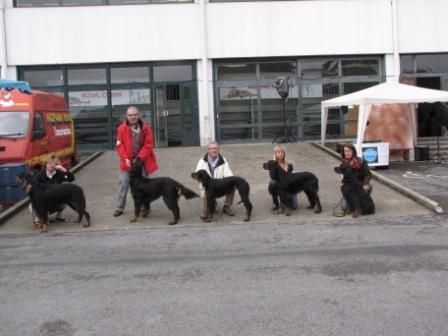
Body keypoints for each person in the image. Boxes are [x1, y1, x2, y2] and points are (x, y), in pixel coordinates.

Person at [114, 106, 158, 217]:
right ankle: (120, 208)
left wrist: (139, 158)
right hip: (126, 163)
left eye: (135, 114)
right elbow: (119, 146)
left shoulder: (146, 128)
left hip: (141, 161)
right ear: (126, 116)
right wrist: (126, 158)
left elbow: (148, 145)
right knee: (123, 184)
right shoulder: (121, 129)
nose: (133, 117)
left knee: (144, 186)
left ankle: (145, 208)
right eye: (130, 115)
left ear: (138, 115)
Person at [195, 141, 235, 219]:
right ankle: (213, 203)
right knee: (207, 212)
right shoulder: (202, 161)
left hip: (219, 186)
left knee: (232, 185)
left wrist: (228, 182)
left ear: (218, 149)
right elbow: (197, 176)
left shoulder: (223, 160)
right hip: (207, 187)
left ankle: (227, 206)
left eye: (216, 148)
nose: (214, 150)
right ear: (208, 150)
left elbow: (228, 174)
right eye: (212, 148)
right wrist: (205, 184)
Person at [34, 155, 75, 222]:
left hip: (55, 198)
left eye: (54, 164)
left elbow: (71, 179)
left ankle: (59, 216)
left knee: (65, 196)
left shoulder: (59, 174)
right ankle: (40, 217)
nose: (52, 165)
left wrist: (63, 169)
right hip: (44, 199)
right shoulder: (39, 175)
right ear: (45, 164)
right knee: (34, 204)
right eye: (49, 163)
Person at [338, 143, 372, 210]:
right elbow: (344, 179)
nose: (347, 153)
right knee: (344, 207)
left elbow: (368, 174)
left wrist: (365, 183)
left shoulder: (361, 161)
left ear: (353, 151)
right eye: (346, 151)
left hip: (361, 184)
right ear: (343, 153)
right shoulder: (343, 163)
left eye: (349, 151)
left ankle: (363, 201)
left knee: (362, 205)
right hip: (349, 187)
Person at [268, 145, 297, 211]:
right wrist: (274, 163)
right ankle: (275, 202)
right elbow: (273, 177)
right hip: (277, 185)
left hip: (288, 186)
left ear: (284, 154)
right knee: (272, 182)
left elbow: (292, 176)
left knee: (294, 206)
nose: (280, 154)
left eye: (282, 152)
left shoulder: (289, 164)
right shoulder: (272, 164)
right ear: (275, 154)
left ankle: (285, 200)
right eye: (278, 152)